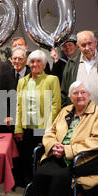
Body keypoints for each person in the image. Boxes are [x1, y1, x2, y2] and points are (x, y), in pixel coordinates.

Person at [17, 80, 98, 196]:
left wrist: (68, 150)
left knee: (59, 178)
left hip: (81, 160)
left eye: (83, 92)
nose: (79, 96)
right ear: (71, 97)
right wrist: (53, 146)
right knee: (40, 174)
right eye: (75, 93)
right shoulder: (65, 110)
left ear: (89, 95)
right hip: (57, 154)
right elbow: (50, 132)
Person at [14, 49, 61, 187]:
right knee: (28, 161)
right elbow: (18, 106)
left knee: (43, 159)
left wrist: (48, 128)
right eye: (32, 61)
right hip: (27, 128)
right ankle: (31, 192)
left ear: (45, 64)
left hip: (44, 129)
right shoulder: (22, 81)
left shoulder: (52, 80)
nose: (35, 64)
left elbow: (55, 105)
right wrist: (18, 128)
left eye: (38, 61)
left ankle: (44, 190)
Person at [60, 30, 98, 117]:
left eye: (89, 43)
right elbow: (64, 91)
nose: (87, 48)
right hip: (78, 116)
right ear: (78, 46)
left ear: (95, 42)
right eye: (83, 45)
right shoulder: (71, 63)